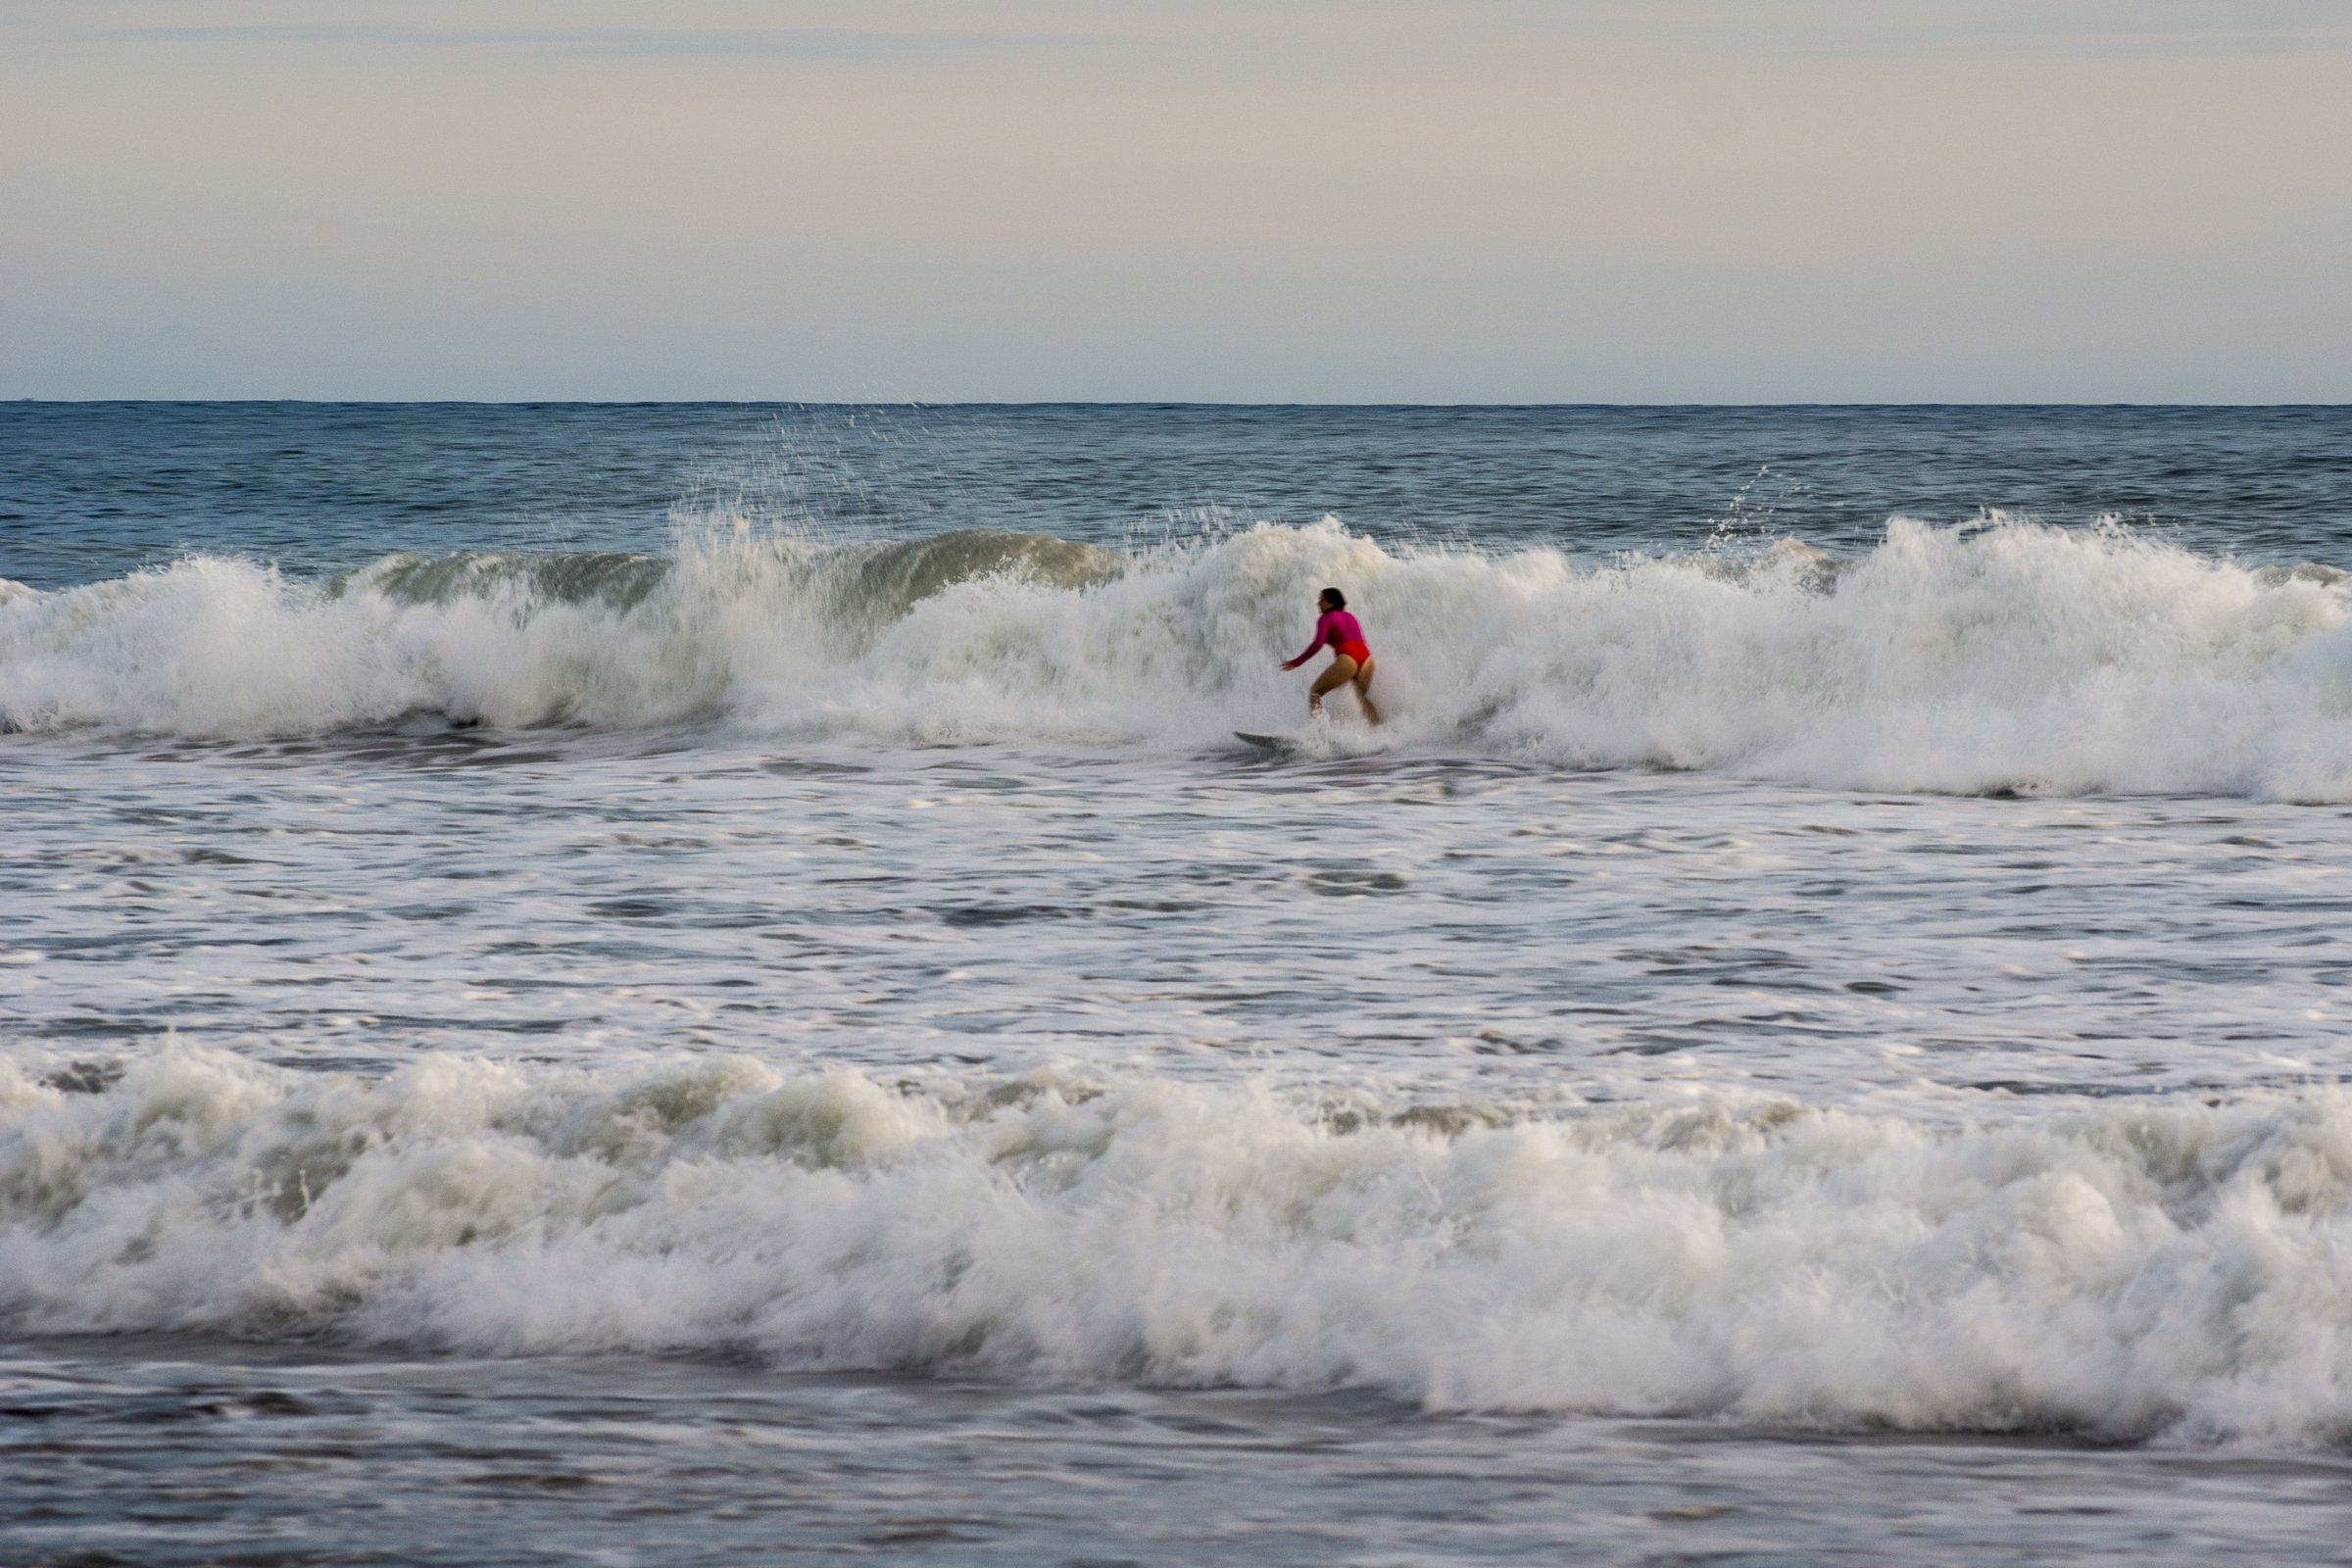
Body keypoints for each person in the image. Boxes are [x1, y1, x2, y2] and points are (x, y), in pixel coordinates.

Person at [1282, 587, 1382, 724]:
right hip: (1367, 660)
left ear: (1331, 603)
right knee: (1362, 697)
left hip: (1348, 658)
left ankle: (1320, 736)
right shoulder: (1350, 616)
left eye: (1321, 600)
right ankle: (1380, 732)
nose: (1318, 604)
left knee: (1315, 692)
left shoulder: (1325, 618)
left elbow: (1317, 644)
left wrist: (1296, 662)